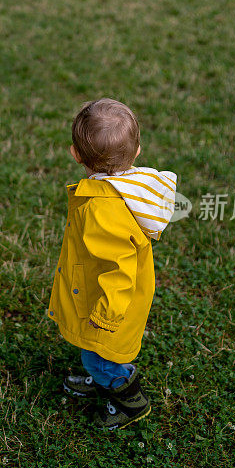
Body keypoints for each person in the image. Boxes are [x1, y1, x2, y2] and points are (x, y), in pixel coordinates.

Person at [47, 98, 177, 429]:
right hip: (109, 295)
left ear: (75, 155)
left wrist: (106, 318)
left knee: (98, 355)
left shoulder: (103, 210)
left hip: (110, 306)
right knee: (96, 352)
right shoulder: (132, 191)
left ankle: (128, 398)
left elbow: (119, 272)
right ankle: (102, 374)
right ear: (136, 153)